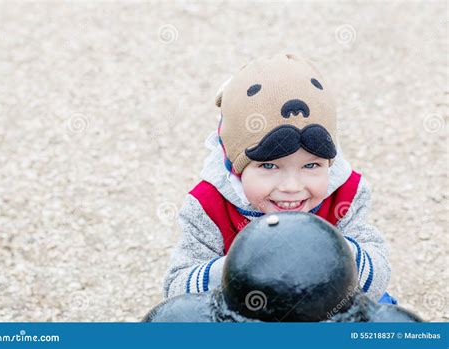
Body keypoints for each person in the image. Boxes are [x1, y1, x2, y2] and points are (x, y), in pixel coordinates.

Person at [163, 53, 396, 305]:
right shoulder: (208, 206)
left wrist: (337, 252)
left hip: (324, 309)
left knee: (383, 312)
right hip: (246, 316)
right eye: (270, 165)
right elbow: (177, 292)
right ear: (235, 168)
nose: (292, 187)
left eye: (311, 165)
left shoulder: (345, 195)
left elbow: (377, 277)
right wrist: (238, 268)